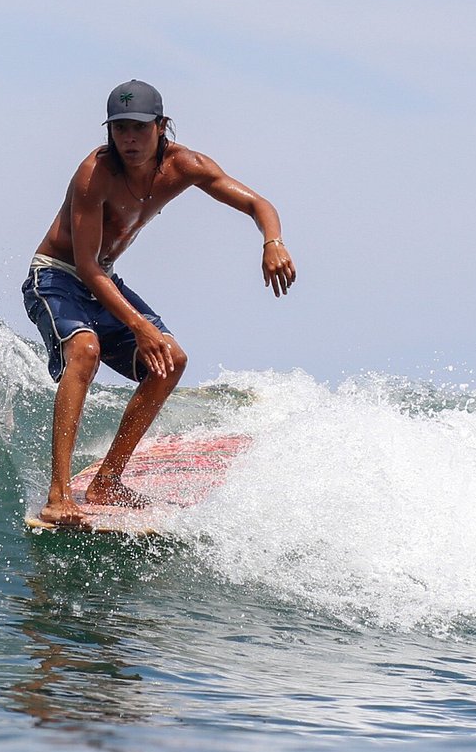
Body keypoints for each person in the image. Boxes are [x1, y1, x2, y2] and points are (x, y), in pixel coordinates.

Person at [22, 80, 297, 529]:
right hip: (57, 275)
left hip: (102, 278)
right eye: (120, 129)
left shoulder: (185, 165)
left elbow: (257, 203)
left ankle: (108, 479)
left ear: (162, 127)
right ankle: (58, 494)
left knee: (172, 360)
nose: (129, 139)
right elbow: (86, 267)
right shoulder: (95, 174)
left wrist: (273, 241)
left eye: (139, 129)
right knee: (86, 350)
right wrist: (139, 326)